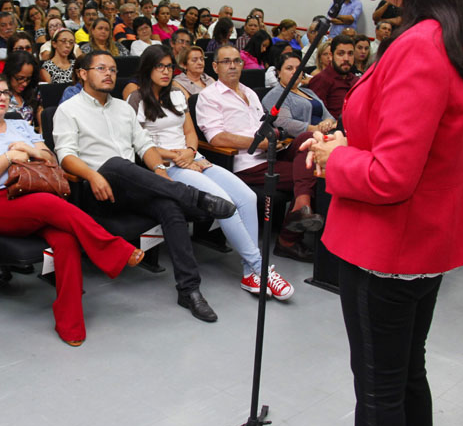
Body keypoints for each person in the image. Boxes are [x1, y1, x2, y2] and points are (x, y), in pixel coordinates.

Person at [302, 0, 463, 426]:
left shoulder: (420, 43)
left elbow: (390, 176)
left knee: (379, 392)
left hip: (387, 244)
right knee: (407, 375)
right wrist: (353, 141)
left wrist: (334, 156)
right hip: (425, 243)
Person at [0, 70, 144, 345]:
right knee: (49, 204)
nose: (2, 97)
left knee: (66, 239)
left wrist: (29, 150)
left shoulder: (19, 125)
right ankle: (113, 248)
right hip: (1, 205)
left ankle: (70, 324)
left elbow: (49, 158)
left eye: (5, 92)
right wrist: (9, 156)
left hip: (38, 196)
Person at [53, 50, 238, 323]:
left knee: (170, 207)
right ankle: (195, 198)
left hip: (131, 186)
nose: (109, 74)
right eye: (101, 68)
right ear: (83, 73)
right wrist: (92, 176)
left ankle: (189, 290)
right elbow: (65, 155)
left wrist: (161, 175)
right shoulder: (68, 110)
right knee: (115, 164)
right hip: (97, 192)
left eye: (113, 70)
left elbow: (145, 146)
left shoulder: (123, 108)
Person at [127, 45, 293, 299]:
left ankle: (251, 273)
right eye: (159, 66)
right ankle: (261, 269)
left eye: (169, 66)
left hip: (192, 157)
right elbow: (139, 146)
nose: (166, 71)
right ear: (148, 69)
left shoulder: (176, 95)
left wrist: (191, 153)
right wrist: (178, 157)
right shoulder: (136, 99)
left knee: (247, 197)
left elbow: (190, 133)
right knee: (225, 203)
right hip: (165, 166)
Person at [196, 45, 323, 262]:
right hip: (245, 162)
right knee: (311, 174)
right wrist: (260, 144)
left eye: (237, 61)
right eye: (226, 61)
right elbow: (217, 138)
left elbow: (263, 124)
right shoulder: (209, 96)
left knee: (305, 140)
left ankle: (302, 202)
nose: (233, 65)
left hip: (271, 152)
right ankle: (288, 240)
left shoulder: (249, 92)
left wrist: (276, 138)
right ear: (215, 66)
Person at [261, 52, 336, 138]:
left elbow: (329, 116)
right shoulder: (275, 95)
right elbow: (284, 123)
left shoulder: (309, 92)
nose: (295, 72)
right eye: (289, 68)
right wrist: (315, 129)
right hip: (302, 140)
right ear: (279, 73)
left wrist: (327, 123)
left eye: (298, 68)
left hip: (325, 134)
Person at [306, 34, 356, 119]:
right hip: (333, 128)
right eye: (341, 54)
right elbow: (316, 116)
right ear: (331, 56)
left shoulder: (356, 80)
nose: (346, 58)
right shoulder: (321, 80)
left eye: (350, 54)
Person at [2, 51, 41, 125]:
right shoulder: (0, 95)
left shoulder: (33, 92)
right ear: (10, 74)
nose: (25, 83)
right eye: (20, 78)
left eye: (28, 79)